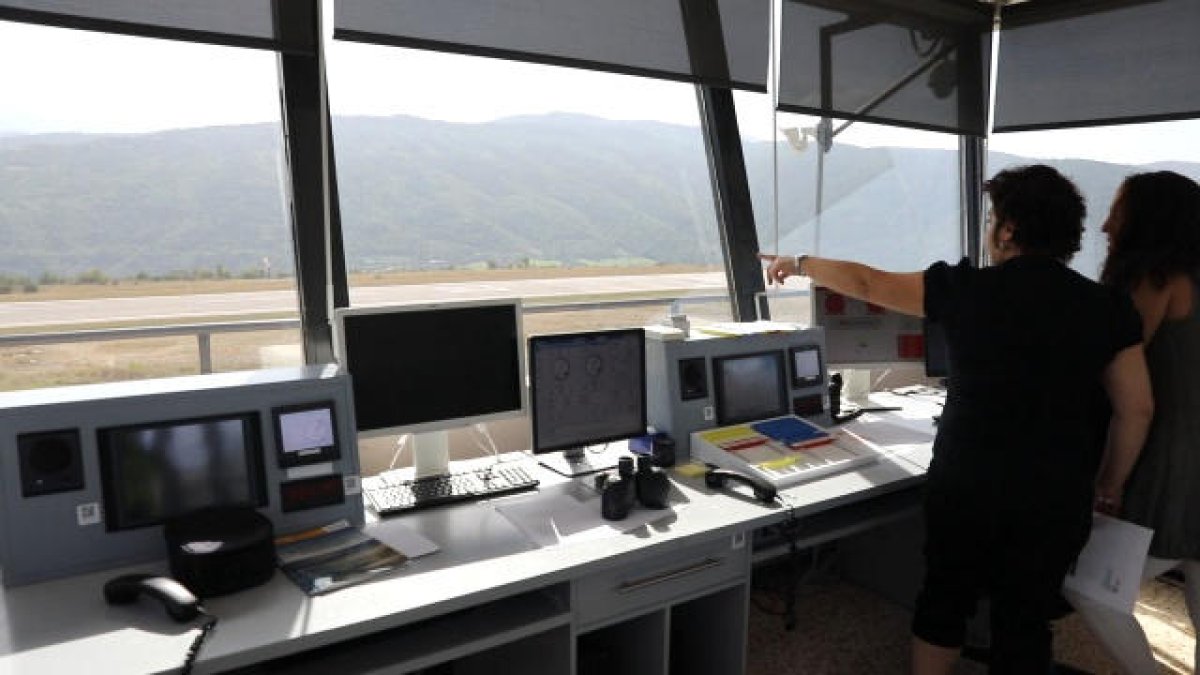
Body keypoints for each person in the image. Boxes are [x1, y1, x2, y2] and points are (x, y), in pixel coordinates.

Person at [760, 164, 1154, 675]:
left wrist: (799, 262)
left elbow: (865, 281)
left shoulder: (964, 288)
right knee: (1027, 615)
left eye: (993, 218)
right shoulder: (1107, 307)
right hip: (1055, 491)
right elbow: (1137, 407)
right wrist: (1111, 483)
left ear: (1009, 229)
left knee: (945, 597)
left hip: (968, 482)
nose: (989, 229)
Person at [1072, 170, 1200, 674]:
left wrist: (1110, 480)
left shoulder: (1156, 281)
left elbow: (1117, 380)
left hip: (1170, 459)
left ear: (1148, 221)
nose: (1106, 225)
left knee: (1090, 585)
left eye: (1118, 212)